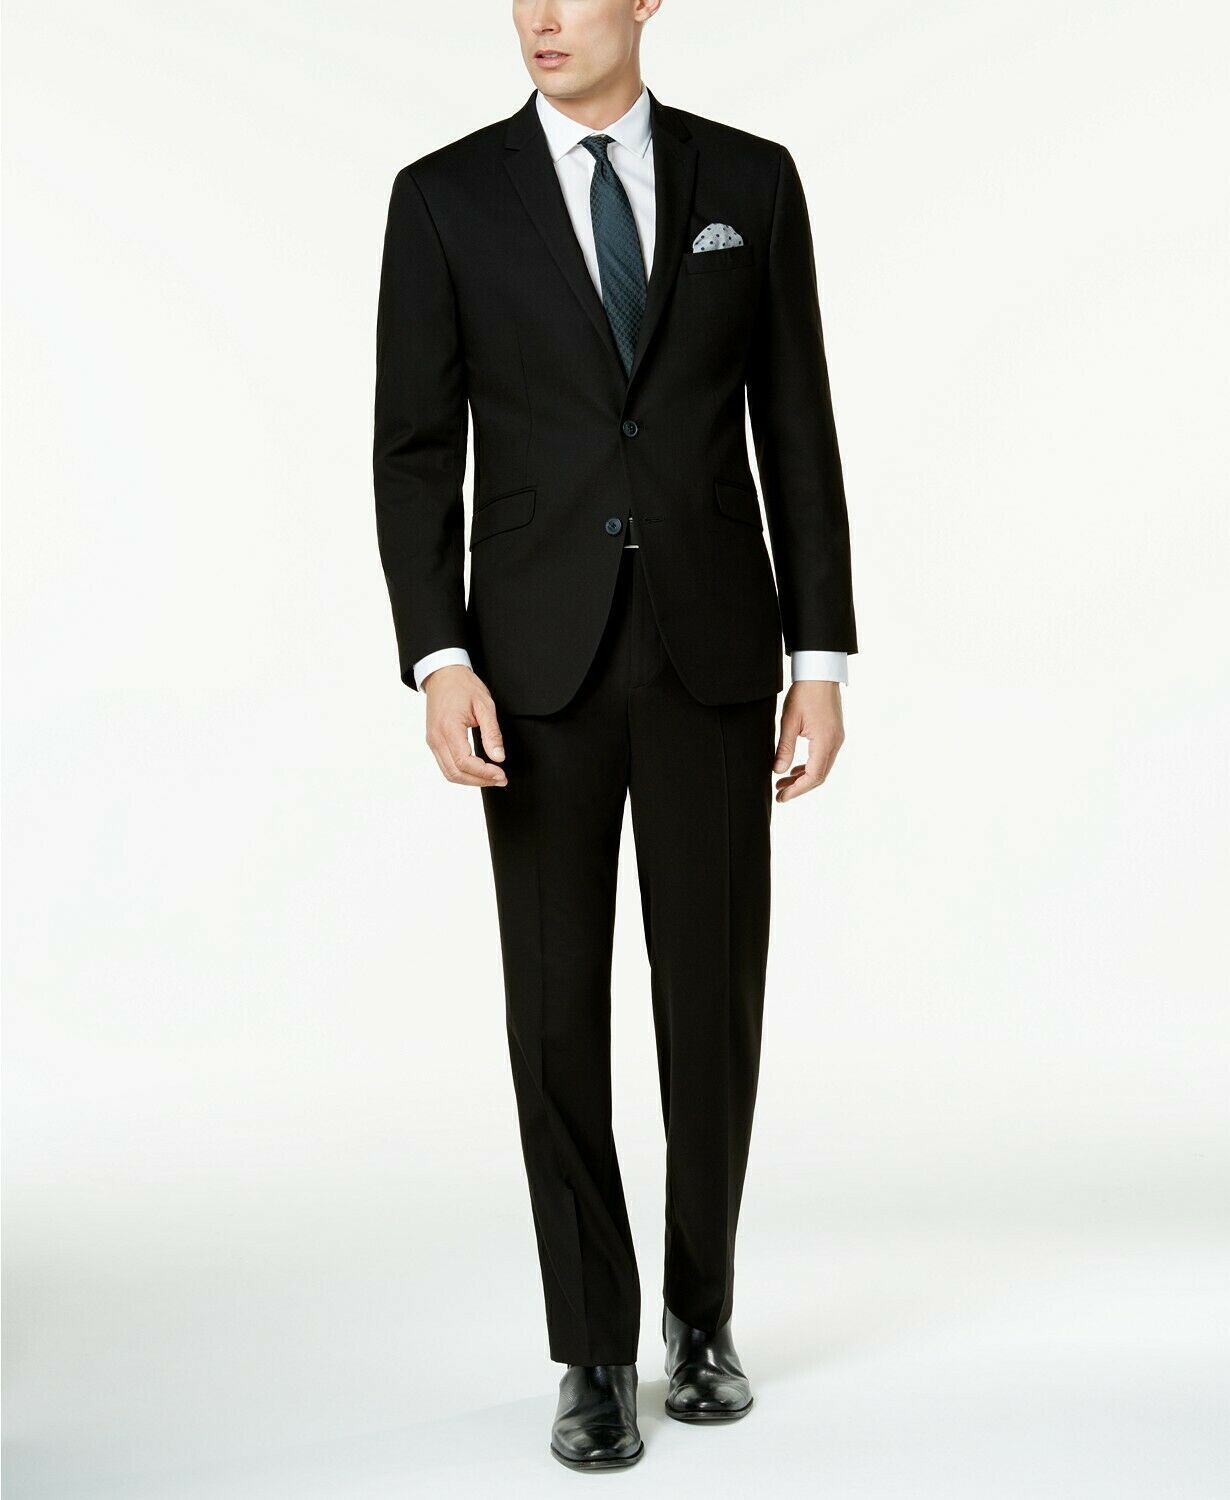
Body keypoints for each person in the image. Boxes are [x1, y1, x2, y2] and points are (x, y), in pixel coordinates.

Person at [372, 0, 856, 1471]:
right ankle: (590, 1344)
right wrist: (438, 655)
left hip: (713, 650)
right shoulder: (444, 196)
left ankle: (700, 1317)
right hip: (533, 662)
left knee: (712, 1000)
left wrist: (820, 658)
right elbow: (414, 448)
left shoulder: (749, 180)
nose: (539, 17)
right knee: (555, 1007)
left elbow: (796, 422)